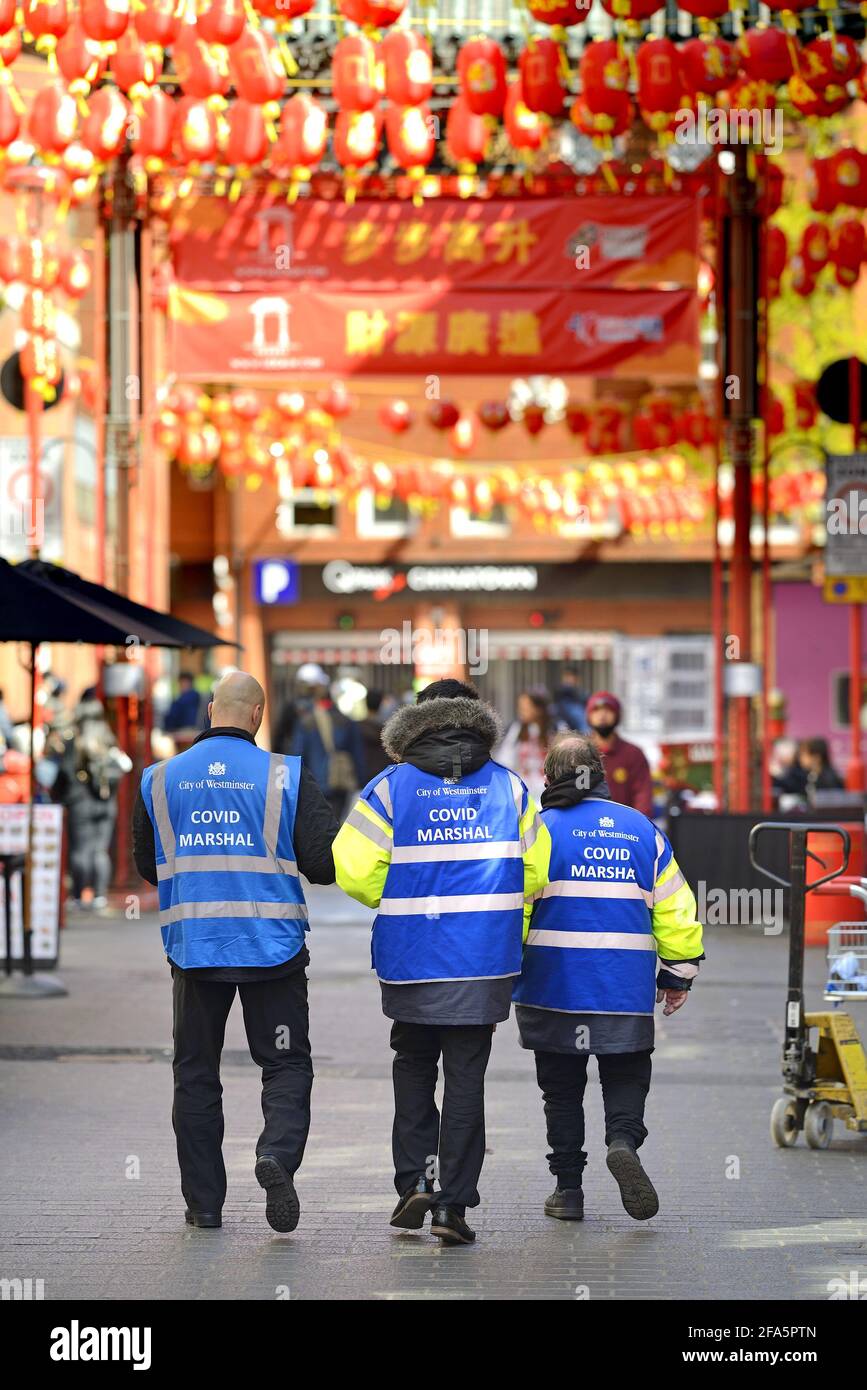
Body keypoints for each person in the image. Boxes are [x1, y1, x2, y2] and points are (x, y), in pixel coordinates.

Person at [332, 678, 551, 1246]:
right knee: (465, 1078)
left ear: (416, 721)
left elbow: (352, 870)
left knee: (412, 1065)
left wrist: (402, 892)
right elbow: (536, 872)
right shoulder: (510, 788)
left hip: (411, 957)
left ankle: (415, 1181)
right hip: (483, 959)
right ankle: (452, 1207)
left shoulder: (389, 788)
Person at [132, 670, 339, 1233]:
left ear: (208, 712)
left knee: (196, 1073)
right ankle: (275, 1153)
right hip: (272, 952)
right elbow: (323, 865)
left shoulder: (157, 778)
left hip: (196, 950)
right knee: (285, 1063)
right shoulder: (286, 776)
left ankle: (204, 1206)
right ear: (257, 715)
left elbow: (147, 867)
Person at [513, 734, 704, 1223]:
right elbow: (677, 909)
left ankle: (569, 1192)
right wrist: (678, 975)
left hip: (554, 988)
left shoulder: (537, 832)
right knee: (625, 1073)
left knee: (560, 1091)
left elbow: (517, 910)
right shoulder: (640, 830)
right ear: (599, 773)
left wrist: (504, 969)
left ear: (549, 778)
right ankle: (622, 1142)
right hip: (622, 987)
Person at [50, 689, 132, 911]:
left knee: (80, 850)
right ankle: (99, 895)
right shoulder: (108, 738)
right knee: (99, 849)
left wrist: (57, 795)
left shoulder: (73, 739)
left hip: (80, 800)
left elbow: (64, 773)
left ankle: (78, 897)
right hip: (106, 801)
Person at [289, 663, 365, 821]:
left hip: (314, 783)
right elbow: (357, 754)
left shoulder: (305, 722)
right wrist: (360, 781)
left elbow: (297, 754)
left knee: (318, 827)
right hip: (341, 781)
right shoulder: (346, 720)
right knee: (337, 823)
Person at [586, 690, 654, 818]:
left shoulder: (633, 754)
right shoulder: (578, 753)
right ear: (589, 716)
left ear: (617, 715)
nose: (602, 715)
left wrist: (638, 826)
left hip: (623, 829)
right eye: (596, 710)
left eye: (608, 710)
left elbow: (643, 796)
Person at [495, 689, 557, 803]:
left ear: (539, 709)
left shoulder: (556, 729)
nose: (521, 711)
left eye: (525, 707)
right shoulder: (516, 729)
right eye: (520, 707)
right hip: (523, 794)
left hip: (549, 794)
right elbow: (505, 760)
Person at [357, 689, 396, 785]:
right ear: (381, 705)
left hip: (362, 775)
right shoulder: (388, 730)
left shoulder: (357, 727)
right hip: (383, 777)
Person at [163, 672, 205, 747]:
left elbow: (172, 717)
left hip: (183, 733)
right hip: (197, 732)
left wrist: (167, 728)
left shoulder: (181, 700)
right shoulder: (199, 697)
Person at [552, 667, 588, 733]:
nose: (570, 680)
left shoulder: (582, 695)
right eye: (568, 677)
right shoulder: (560, 694)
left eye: (573, 677)